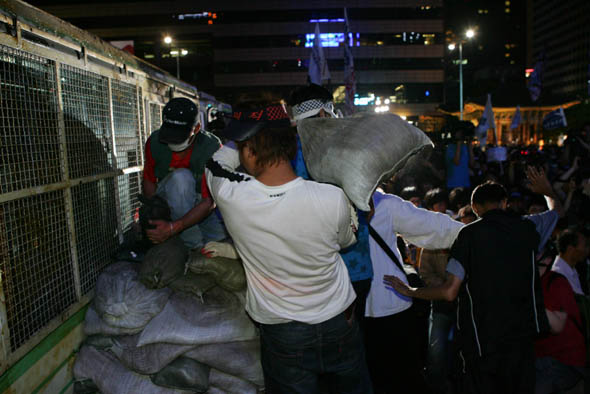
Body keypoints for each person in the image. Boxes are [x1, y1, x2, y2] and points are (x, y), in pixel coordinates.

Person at [204, 110, 372, 394]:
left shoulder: (232, 196)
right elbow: (346, 242)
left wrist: (242, 141)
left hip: (283, 331)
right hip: (338, 322)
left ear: (251, 152)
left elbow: (215, 162)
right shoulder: (331, 197)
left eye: (244, 148)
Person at [386, 170, 563, 394]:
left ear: (475, 208)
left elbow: (450, 292)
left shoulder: (468, 236)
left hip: (483, 340)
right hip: (522, 335)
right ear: (505, 203)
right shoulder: (529, 227)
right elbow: (558, 210)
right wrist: (547, 190)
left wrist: (411, 291)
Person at [364, 188, 463, 394]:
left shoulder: (385, 204)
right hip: (356, 311)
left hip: (390, 305)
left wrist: (472, 232)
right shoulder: (327, 203)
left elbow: (431, 226)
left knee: (401, 377)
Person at [289, 84, 373, 326]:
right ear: (326, 113)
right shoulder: (350, 148)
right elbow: (369, 205)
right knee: (350, 341)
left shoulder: (285, 151)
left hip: (307, 270)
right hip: (355, 266)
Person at [142, 97, 225, 249]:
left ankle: (189, 239)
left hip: (201, 204)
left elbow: (209, 202)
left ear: (197, 128)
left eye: (179, 136)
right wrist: (153, 211)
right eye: (170, 136)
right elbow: (149, 179)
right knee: (181, 178)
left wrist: (174, 227)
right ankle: (190, 246)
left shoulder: (211, 148)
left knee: (219, 243)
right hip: (167, 200)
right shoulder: (154, 142)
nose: (173, 142)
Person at [535, 229, 586, 394]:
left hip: (563, 361)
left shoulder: (555, 281)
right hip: (552, 359)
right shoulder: (551, 279)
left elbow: (557, 325)